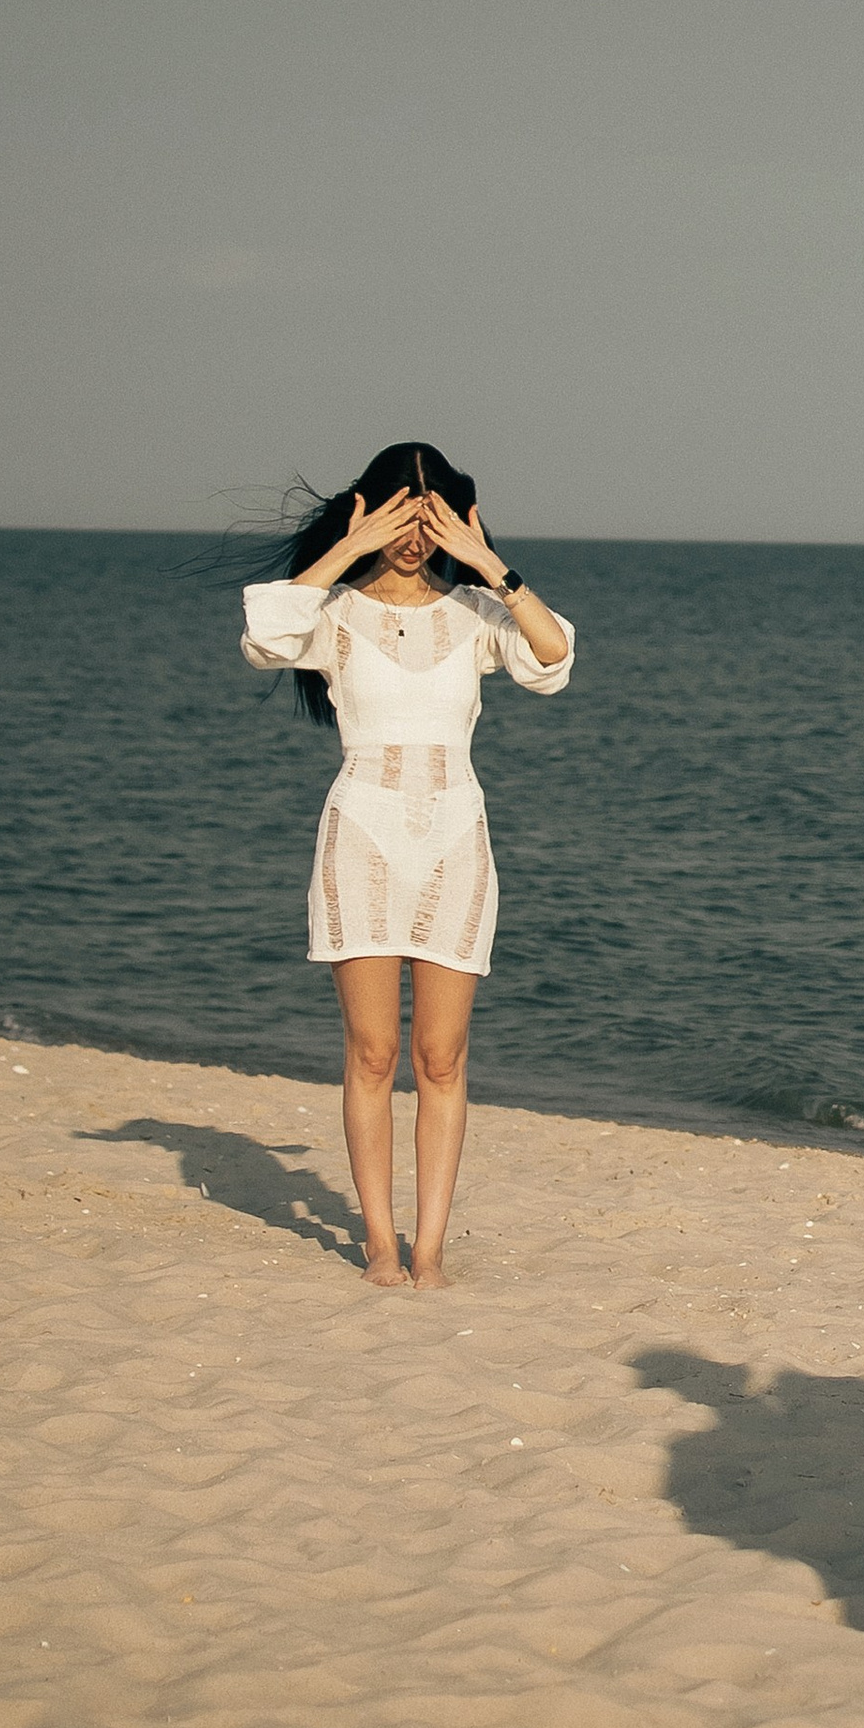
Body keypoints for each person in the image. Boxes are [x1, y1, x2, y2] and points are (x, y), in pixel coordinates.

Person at [242, 444, 575, 1290]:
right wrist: (348, 549)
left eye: (430, 520)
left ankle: (430, 1249)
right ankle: (381, 1246)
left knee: (441, 1057)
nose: (415, 536)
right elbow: (266, 634)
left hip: (455, 839)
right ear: (372, 512)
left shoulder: (475, 615)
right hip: (362, 838)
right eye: (401, 516)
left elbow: (553, 661)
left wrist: (491, 565)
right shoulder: (335, 616)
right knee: (370, 1051)